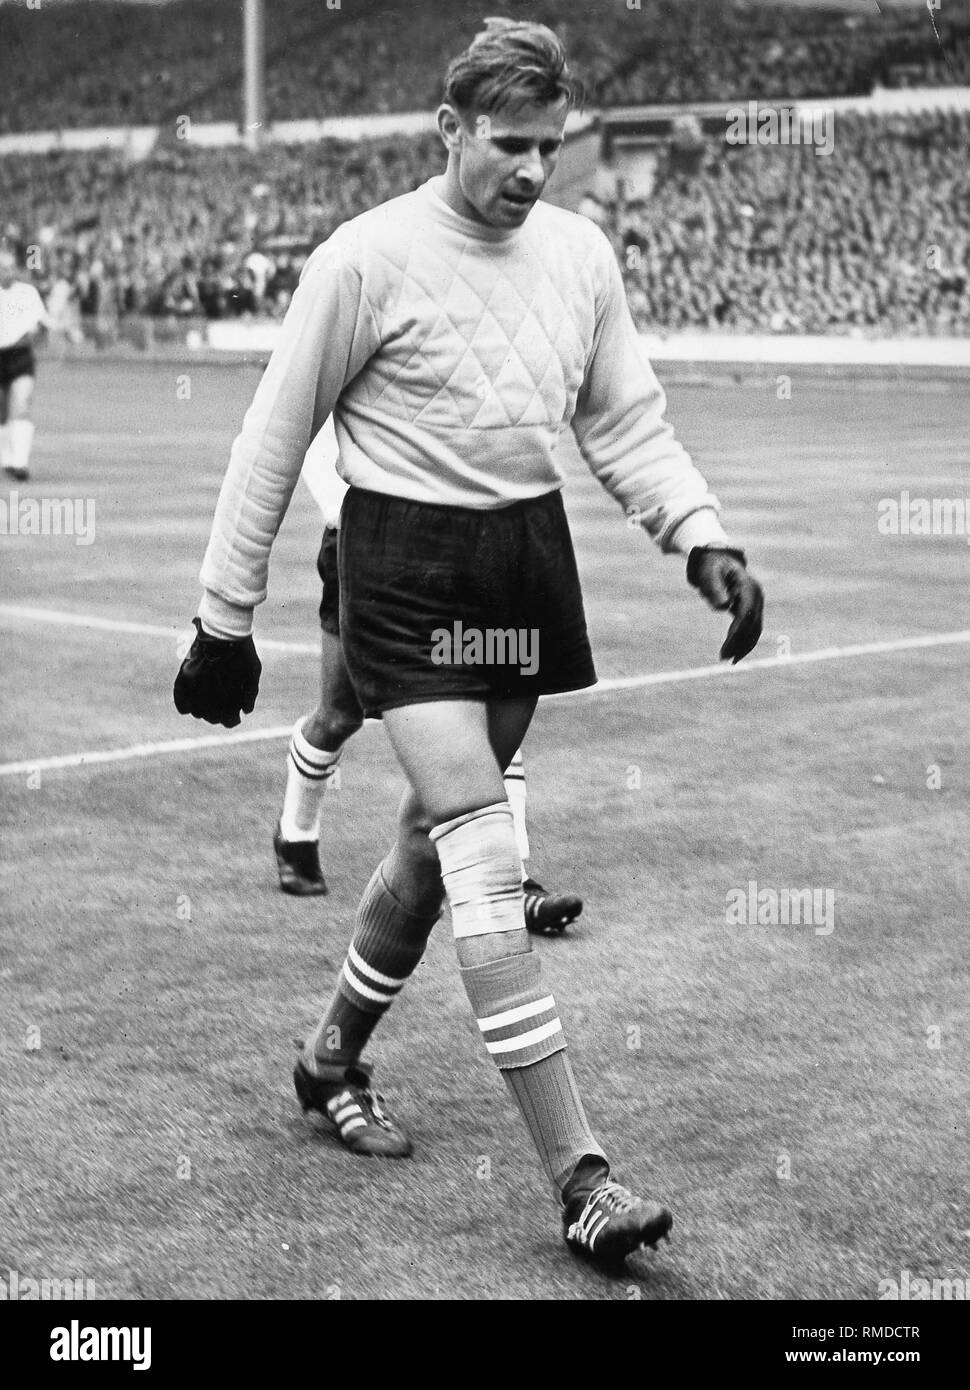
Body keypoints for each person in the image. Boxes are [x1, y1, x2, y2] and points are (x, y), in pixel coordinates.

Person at [174, 19, 763, 1271]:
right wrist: (224, 618)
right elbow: (271, 440)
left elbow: (623, 419)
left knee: (432, 853)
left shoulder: (579, 256)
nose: (535, 169)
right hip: (403, 570)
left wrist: (698, 534)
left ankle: (329, 1056)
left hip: (521, 564)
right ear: (449, 129)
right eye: (510, 144)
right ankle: (582, 1176)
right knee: (486, 848)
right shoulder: (364, 259)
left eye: (553, 146)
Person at [276, 417, 584, 936]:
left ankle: (511, 882)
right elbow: (300, 432)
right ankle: (296, 832)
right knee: (340, 713)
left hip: (467, 547)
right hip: (369, 549)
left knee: (491, 700)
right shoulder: (344, 338)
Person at [0, 246, 50, 482]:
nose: (7, 273)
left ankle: (20, 464)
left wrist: (43, 329)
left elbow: (42, 321)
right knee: (1, 412)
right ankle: (6, 459)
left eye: (10, 268)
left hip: (20, 356)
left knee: (20, 404)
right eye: (2, 269)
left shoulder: (27, 293)